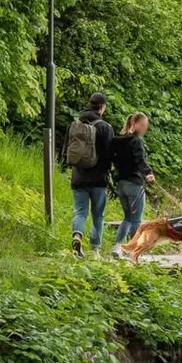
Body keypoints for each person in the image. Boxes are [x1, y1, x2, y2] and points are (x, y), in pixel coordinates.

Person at [67, 92, 115, 257]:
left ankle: (77, 236)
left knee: (80, 212)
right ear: (102, 107)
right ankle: (95, 250)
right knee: (98, 215)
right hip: (98, 179)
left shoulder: (76, 125)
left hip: (78, 177)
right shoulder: (105, 127)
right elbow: (109, 153)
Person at [111, 112, 156, 257]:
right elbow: (139, 159)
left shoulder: (117, 140)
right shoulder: (136, 141)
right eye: (142, 125)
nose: (144, 128)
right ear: (134, 123)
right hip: (134, 184)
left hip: (121, 184)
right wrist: (148, 173)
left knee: (127, 218)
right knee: (136, 219)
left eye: (145, 126)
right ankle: (134, 251)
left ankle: (118, 247)